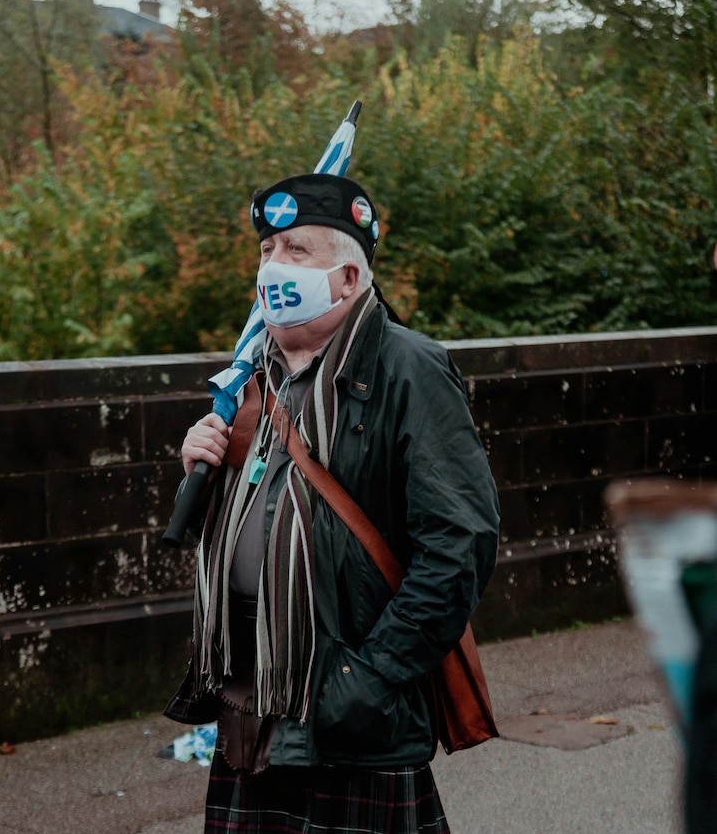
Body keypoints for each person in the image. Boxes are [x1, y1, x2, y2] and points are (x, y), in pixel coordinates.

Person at [165, 172, 500, 833]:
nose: (274, 266)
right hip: (253, 701)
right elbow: (252, 525)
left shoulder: (408, 368)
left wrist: (365, 678)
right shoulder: (254, 379)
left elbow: (460, 544)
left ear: (349, 280)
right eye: (267, 251)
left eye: (297, 251)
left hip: (348, 713)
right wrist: (200, 472)